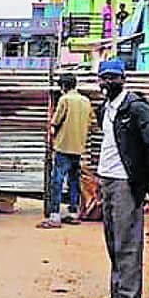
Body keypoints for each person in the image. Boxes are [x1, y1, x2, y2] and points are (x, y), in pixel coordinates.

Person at [92, 59, 149, 298]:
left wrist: (148, 183)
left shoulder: (136, 108)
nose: (107, 83)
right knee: (114, 243)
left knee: (128, 247)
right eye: (103, 78)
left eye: (113, 78)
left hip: (126, 184)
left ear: (123, 79)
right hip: (108, 180)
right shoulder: (105, 109)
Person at [37, 73, 92, 229]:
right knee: (74, 180)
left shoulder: (65, 100)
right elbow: (90, 122)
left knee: (57, 180)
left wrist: (50, 135)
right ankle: (73, 212)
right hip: (78, 147)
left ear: (63, 86)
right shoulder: (85, 101)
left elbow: (55, 122)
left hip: (63, 146)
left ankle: (54, 215)